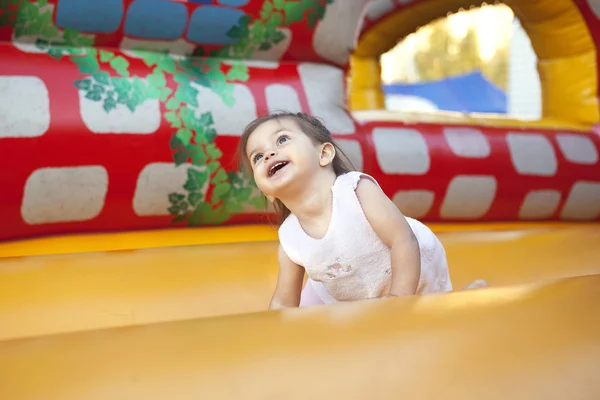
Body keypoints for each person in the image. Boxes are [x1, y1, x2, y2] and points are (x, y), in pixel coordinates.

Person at [237, 111, 487, 309]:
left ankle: (466, 299)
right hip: (354, 291)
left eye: (282, 140)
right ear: (267, 193)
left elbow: (402, 240)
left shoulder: (355, 191)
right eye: (257, 157)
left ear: (323, 154)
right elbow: (283, 302)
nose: (269, 154)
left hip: (414, 266)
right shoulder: (291, 240)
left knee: (433, 314)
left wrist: (399, 299)